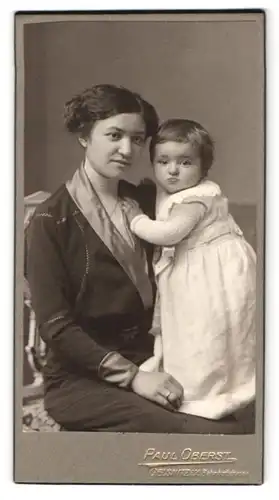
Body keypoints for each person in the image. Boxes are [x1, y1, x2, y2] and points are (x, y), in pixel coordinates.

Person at [26, 86, 252, 433]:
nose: (127, 149)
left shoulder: (149, 202)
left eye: (137, 138)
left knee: (247, 421)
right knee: (219, 437)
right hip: (84, 379)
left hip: (160, 359)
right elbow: (55, 326)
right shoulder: (50, 220)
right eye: (114, 135)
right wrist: (132, 377)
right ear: (84, 136)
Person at [124, 119, 256, 425]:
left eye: (185, 162)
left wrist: (135, 220)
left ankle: (206, 395)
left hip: (212, 274)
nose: (173, 170)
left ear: (203, 167)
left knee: (204, 333)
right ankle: (194, 383)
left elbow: (170, 232)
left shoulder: (194, 198)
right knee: (190, 332)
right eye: (163, 161)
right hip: (199, 269)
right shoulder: (175, 191)